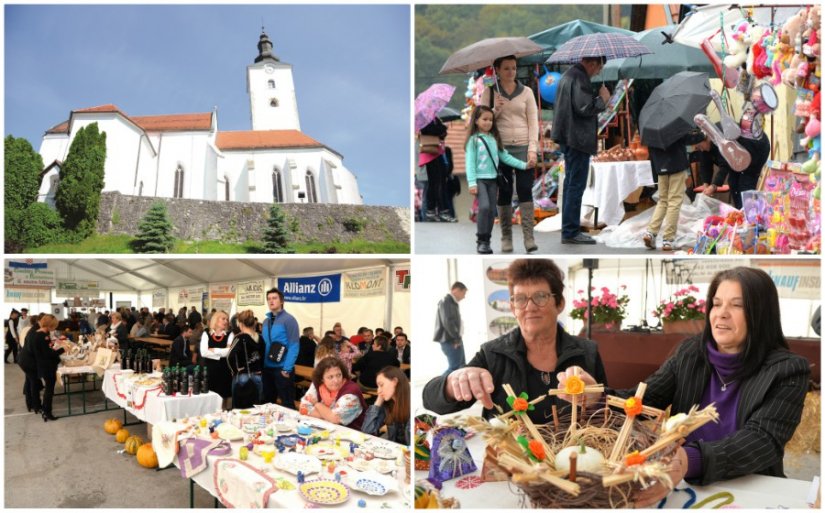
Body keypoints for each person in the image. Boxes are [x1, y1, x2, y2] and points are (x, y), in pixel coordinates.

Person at [561, 266, 809, 486]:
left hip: (752, 486)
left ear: (761, 314)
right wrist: (597, 398)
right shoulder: (691, 352)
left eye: (737, 305)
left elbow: (761, 441)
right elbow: (646, 399)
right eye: (716, 303)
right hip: (684, 483)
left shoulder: (787, 370)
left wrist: (688, 459)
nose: (721, 313)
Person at [423, 259, 608, 423]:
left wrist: (597, 398)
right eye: (520, 299)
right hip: (508, 458)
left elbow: (608, 411)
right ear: (512, 307)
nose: (530, 307)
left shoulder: (586, 352)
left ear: (559, 304)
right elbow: (431, 401)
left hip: (570, 457)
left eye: (540, 297)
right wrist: (451, 383)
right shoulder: (493, 353)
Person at [481, 55, 540, 253]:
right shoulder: (489, 92)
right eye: (506, 68)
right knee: (504, 191)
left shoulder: (527, 92)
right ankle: (506, 237)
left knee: (525, 189)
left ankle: (529, 237)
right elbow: (482, 122)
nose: (511, 72)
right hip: (500, 148)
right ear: (496, 69)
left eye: (514, 68)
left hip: (523, 146)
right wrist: (494, 109)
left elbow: (533, 122)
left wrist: (532, 149)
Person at [551, 56, 611, 245]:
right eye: (598, 68)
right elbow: (584, 107)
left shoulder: (568, 76)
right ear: (591, 63)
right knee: (576, 185)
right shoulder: (579, 77)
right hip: (577, 138)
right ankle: (570, 231)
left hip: (569, 136)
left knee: (571, 184)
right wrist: (603, 100)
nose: (597, 72)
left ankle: (570, 229)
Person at [465, 105, 529, 254]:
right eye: (484, 119)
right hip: (480, 180)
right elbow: (470, 164)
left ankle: (487, 241)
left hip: (493, 180)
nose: (488, 122)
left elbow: (505, 156)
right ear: (476, 121)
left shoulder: (494, 139)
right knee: (485, 207)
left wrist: (523, 165)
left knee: (492, 210)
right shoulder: (473, 141)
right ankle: (481, 240)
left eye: (490, 120)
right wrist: (472, 182)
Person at [642, 130, 708, 251]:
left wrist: (656, 170)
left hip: (660, 168)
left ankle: (650, 233)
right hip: (676, 165)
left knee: (663, 201)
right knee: (674, 202)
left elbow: (651, 151)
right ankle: (668, 239)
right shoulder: (673, 124)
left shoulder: (652, 127)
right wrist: (703, 134)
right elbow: (687, 139)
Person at [701, 131, 771, 210]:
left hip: (755, 150)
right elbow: (705, 165)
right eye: (698, 148)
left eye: (700, 146)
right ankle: (739, 212)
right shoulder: (705, 145)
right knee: (733, 183)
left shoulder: (719, 140)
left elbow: (724, 165)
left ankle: (748, 213)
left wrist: (714, 186)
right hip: (737, 157)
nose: (701, 149)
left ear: (707, 139)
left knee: (745, 184)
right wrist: (705, 183)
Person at [299, 357, 367, 430]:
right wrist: (327, 415)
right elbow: (303, 407)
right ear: (322, 379)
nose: (336, 380)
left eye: (338, 375)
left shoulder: (351, 393)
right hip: (325, 428)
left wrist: (316, 404)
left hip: (353, 434)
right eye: (330, 377)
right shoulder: (318, 385)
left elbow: (335, 418)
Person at [261, 288, 300, 409]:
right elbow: (263, 344)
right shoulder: (266, 321)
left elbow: (294, 345)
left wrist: (287, 369)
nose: (271, 301)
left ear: (281, 301)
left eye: (274, 298)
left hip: (282, 369)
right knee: (267, 403)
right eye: (269, 299)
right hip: (267, 369)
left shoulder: (289, 320)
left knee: (287, 404)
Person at [31, 314, 69, 421]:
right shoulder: (43, 336)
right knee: (49, 390)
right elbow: (49, 354)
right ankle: (47, 412)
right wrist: (63, 349)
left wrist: (53, 343)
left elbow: (45, 349)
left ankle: (45, 410)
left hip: (42, 365)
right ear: (50, 325)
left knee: (48, 389)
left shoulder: (37, 334)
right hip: (47, 366)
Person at [361, 366, 410, 445]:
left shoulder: (412, 404)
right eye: (378, 387)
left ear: (394, 381)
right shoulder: (388, 404)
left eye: (381, 385)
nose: (378, 391)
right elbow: (366, 433)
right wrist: (379, 401)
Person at [420, 118, 457, 222]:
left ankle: (432, 211)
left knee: (438, 183)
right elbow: (432, 131)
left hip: (437, 152)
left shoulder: (435, 119)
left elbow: (442, 132)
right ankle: (441, 211)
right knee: (437, 184)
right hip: (431, 154)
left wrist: (441, 129)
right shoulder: (425, 120)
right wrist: (442, 128)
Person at [227, 310, 264, 409]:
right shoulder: (260, 338)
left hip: (243, 376)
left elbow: (229, 356)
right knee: (256, 407)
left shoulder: (239, 338)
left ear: (240, 324)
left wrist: (233, 370)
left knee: (239, 408)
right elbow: (263, 356)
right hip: (258, 375)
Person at [200, 310, 234, 410]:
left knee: (224, 395)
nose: (226, 321)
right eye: (223, 319)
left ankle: (223, 414)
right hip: (210, 369)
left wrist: (214, 349)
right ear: (216, 319)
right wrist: (221, 353)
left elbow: (229, 352)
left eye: (227, 319)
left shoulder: (229, 334)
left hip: (224, 370)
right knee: (210, 394)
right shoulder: (206, 333)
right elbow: (204, 352)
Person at [433, 281, 467, 375]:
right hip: (450, 340)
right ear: (456, 290)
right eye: (463, 293)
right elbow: (448, 321)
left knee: (461, 366)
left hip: (454, 339)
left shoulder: (451, 302)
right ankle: (437, 386)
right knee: (455, 368)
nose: (464, 296)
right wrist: (456, 339)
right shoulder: (446, 301)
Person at [18, 314, 42, 414]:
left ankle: (30, 404)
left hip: (23, 357)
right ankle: (36, 406)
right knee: (33, 383)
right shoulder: (34, 332)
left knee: (29, 382)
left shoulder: (27, 329)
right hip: (28, 360)